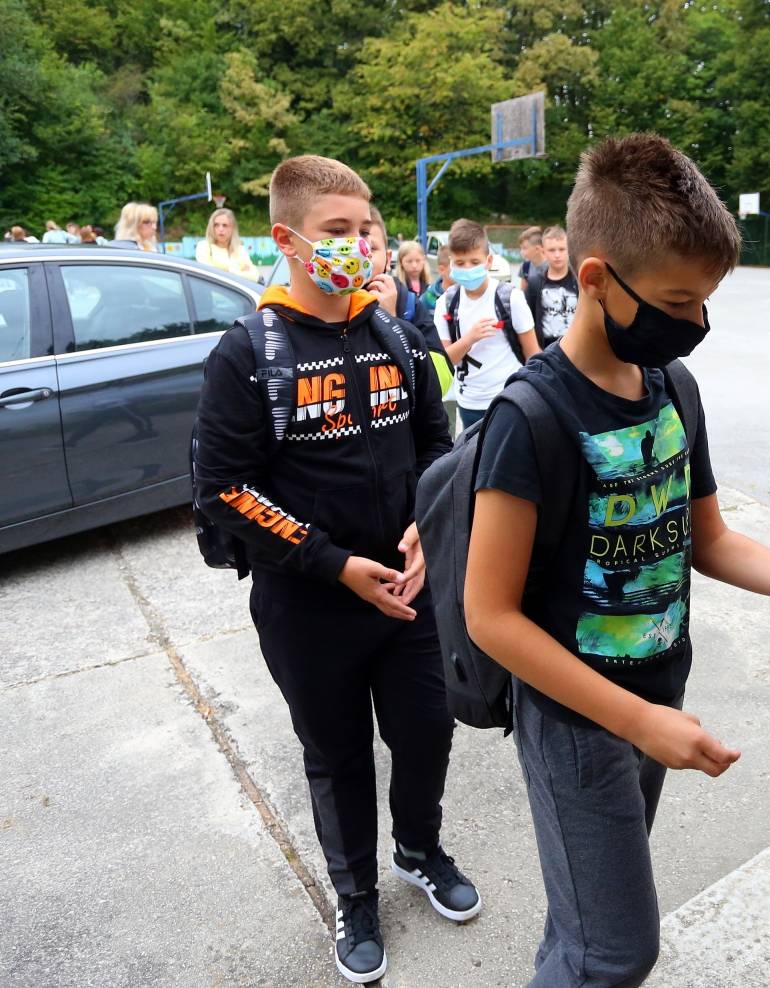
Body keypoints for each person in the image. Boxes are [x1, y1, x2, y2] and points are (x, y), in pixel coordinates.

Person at [462, 133, 770, 988]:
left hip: (657, 695)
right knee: (617, 950)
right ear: (597, 278)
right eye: (678, 302)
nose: (695, 326)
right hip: (579, 720)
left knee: (585, 919)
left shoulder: (672, 388)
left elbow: (709, 539)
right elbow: (489, 616)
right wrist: (633, 721)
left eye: (706, 302)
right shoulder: (528, 420)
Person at [192, 154, 479, 985]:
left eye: (366, 230)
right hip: (308, 605)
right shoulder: (248, 352)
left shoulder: (396, 329)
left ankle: (419, 850)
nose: (359, 246)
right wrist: (330, 562)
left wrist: (429, 522)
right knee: (338, 753)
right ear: (286, 239)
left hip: (410, 592)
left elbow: (439, 441)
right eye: (336, 233)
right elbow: (224, 489)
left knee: (428, 732)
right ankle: (356, 896)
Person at [433, 218, 538, 430]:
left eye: (474, 262)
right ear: (451, 263)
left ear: (488, 261)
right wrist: (469, 338)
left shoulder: (511, 298)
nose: (468, 269)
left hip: (509, 398)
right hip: (468, 403)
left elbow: (532, 353)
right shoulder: (446, 302)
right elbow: (444, 361)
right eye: (460, 263)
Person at [524, 224, 577, 350]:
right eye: (552, 250)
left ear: (569, 249)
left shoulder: (580, 282)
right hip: (546, 351)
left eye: (562, 249)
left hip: (577, 350)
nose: (557, 255)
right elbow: (527, 321)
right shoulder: (534, 283)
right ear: (543, 251)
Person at [194, 207, 260, 280]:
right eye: (216, 225)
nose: (221, 229)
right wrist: (239, 271)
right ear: (211, 227)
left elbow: (255, 276)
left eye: (225, 225)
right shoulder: (204, 246)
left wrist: (228, 271)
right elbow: (209, 274)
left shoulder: (239, 249)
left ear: (232, 228)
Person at [395, 240, 434, 328]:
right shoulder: (397, 287)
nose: (414, 265)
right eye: (409, 261)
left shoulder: (430, 286)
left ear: (423, 260)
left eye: (418, 260)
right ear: (401, 262)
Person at [515, 225, 544, 293]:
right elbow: (523, 294)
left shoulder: (552, 266)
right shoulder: (525, 267)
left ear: (537, 249)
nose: (521, 252)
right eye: (521, 248)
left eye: (524, 248)